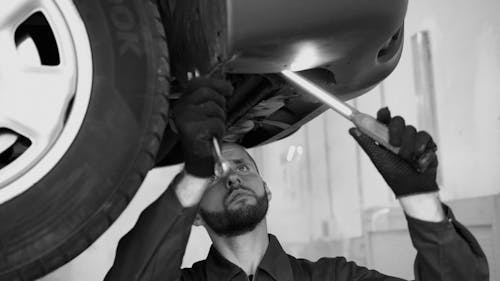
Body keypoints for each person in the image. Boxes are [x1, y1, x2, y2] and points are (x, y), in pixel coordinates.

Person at [105, 78, 489, 281]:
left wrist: (420, 201)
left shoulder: (334, 278)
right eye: (215, 176)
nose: (231, 178)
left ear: (267, 189)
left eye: (242, 167)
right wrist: (194, 172)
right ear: (196, 217)